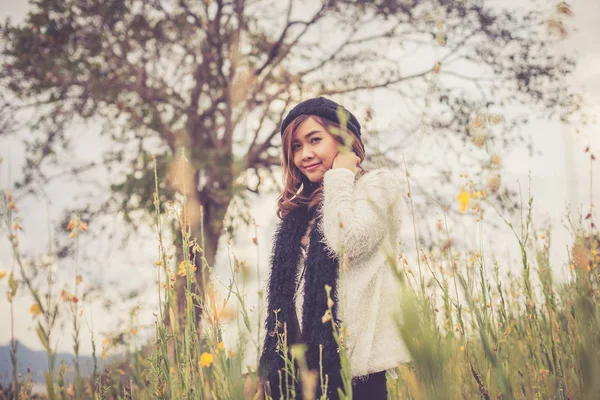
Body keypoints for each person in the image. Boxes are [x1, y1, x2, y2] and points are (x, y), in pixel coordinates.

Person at [252, 97, 410, 399]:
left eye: (314, 140)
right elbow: (282, 298)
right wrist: (266, 369)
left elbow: (346, 241)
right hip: (296, 375)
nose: (305, 154)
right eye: (296, 147)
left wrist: (340, 175)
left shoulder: (377, 185)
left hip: (353, 372)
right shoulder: (299, 213)